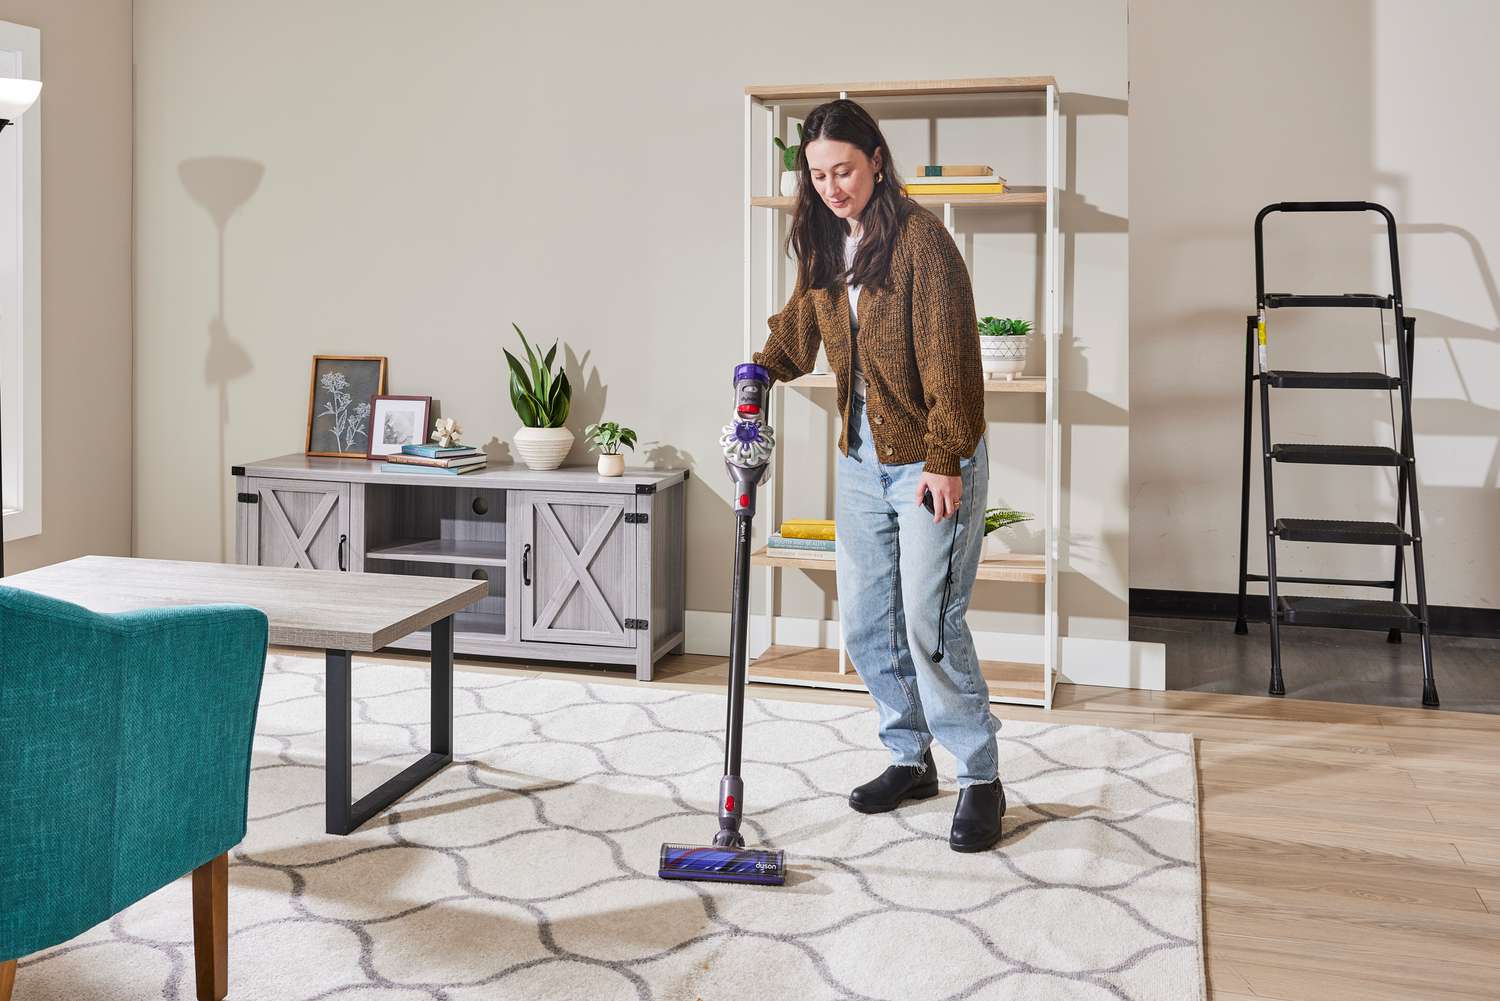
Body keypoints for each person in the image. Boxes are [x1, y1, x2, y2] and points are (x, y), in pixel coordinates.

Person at [751, 99, 1002, 852]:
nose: (832, 186)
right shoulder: (829, 242)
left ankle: (980, 776)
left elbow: (954, 360)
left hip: (932, 456)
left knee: (929, 622)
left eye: (845, 171)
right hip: (862, 460)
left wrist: (946, 457)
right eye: (819, 174)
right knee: (865, 620)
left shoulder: (923, 243)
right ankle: (908, 755)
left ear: (877, 162)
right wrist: (757, 371)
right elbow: (803, 328)